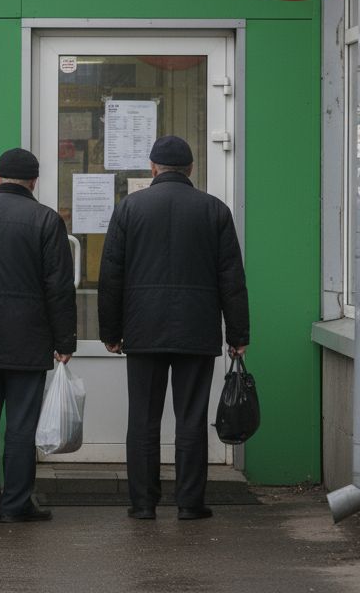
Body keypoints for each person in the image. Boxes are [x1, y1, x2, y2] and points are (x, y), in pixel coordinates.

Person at [98, 136, 250, 521]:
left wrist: (110, 332)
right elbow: (231, 279)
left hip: (143, 330)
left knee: (143, 419)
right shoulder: (215, 210)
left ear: (152, 168)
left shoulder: (129, 208)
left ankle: (143, 503)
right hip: (196, 331)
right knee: (191, 418)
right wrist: (238, 335)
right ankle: (189, 503)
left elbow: (111, 276)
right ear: (191, 170)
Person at [0, 148, 77, 523]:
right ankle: (16, 504)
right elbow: (59, 287)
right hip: (29, 338)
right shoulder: (46, 220)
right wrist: (64, 341)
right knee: (21, 427)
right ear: (34, 181)